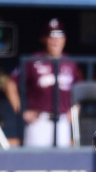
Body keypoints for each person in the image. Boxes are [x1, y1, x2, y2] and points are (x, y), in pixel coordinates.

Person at [6, 18, 83, 147]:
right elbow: (10, 84)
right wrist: (21, 111)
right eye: (51, 36)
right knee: (35, 163)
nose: (55, 40)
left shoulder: (70, 63)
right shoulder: (34, 60)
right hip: (39, 121)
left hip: (62, 121)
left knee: (61, 164)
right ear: (44, 39)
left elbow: (80, 89)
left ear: (64, 39)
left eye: (59, 35)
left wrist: (75, 111)